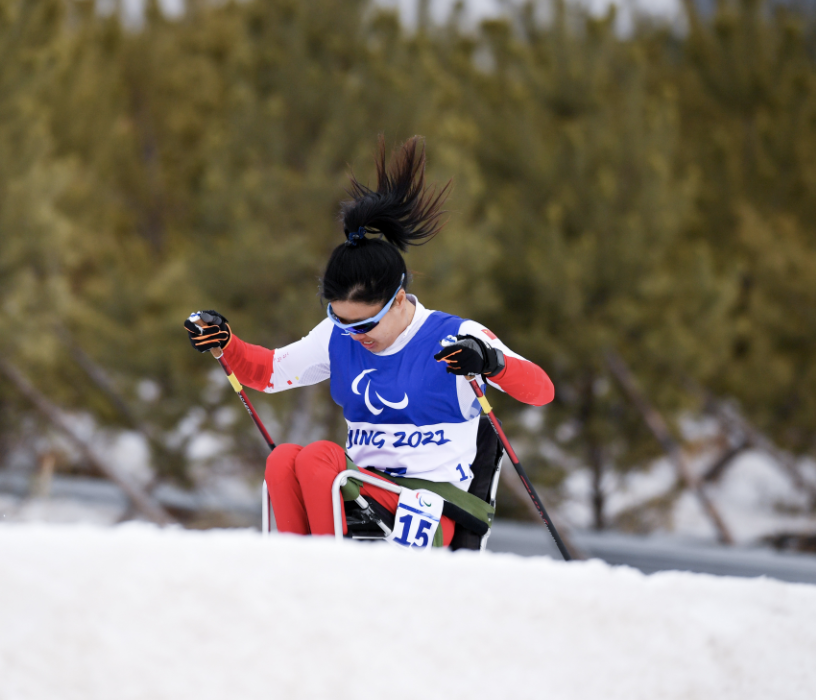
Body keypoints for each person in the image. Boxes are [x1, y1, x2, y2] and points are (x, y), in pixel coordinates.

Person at [184, 136, 554, 546]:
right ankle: (296, 571)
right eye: (339, 321)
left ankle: (335, 569)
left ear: (398, 300)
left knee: (319, 456)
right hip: (361, 496)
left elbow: (542, 391)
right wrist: (226, 342)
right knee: (285, 458)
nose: (352, 335)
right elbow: (269, 373)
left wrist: (490, 362)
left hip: (431, 507)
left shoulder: (455, 337)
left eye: (364, 324)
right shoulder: (338, 336)